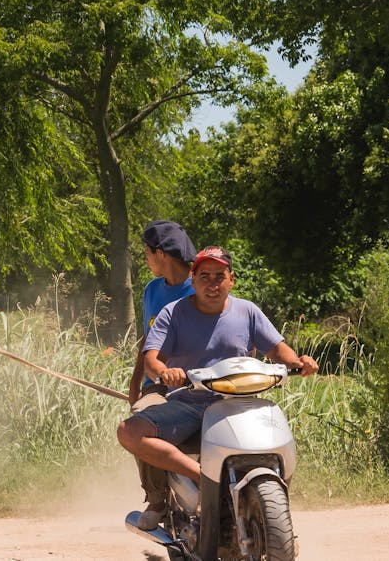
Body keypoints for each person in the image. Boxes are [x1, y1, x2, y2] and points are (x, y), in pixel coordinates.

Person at [116, 245, 318, 530]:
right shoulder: (173, 313)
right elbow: (152, 360)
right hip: (189, 401)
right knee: (130, 431)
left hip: (240, 403)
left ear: (231, 279)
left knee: (278, 442)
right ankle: (194, 479)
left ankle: (276, 521)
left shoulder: (247, 311)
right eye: (205, 276)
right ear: (193, 280)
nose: (212, 284)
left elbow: (277, 349)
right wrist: (166, 372)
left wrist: (300, 362)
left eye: (219, 276)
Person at [126, 221, 197, 524]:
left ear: (161, 253)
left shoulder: (201, 285)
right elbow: (147, 340)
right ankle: (157, 500)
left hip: (201, 382)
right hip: (159, 384)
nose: (145, 260)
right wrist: (135, 385)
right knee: (138, 421)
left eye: (146, 253)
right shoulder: (151, 291)